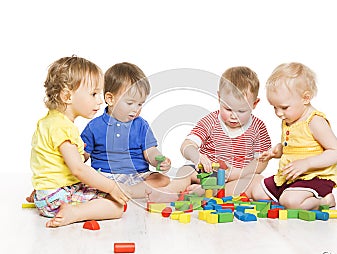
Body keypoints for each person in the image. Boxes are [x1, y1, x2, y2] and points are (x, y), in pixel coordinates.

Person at [29, 56, 128, 228]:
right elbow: (78, 169)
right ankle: (73, 213)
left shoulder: (48, 122)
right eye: (94, 94)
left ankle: (43, 197)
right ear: (67, 96)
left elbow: (49, 162)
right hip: (57, 195)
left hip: (47, 193)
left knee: (100, 187)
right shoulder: (63, 127)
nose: (100, 100)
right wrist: (112, 187)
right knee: (116, 206)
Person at [148, 66, 271, 201]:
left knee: (257, 180)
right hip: (204, 174)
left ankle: (203, 193)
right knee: (185, 170)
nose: (234, 116)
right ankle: (170, 191)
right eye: (228, 109)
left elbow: (261, 162)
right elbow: (186, 145)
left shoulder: (258, 128)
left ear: (255, 103)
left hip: (234, 180)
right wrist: (196, 157)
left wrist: (237, 173)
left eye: (241, 111)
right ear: (219, 98)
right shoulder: (210, 122)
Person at [247, 62, 337, 210]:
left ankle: (324, 201)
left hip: (314, 177)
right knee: (257, 192)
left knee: (290, 202)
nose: (279, 113)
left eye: (284, 107)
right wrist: (276, 151)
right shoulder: (289, 119)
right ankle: (290, 194)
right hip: (290, 176)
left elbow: (336, 152)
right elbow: (292, 146)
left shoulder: (315, 121)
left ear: (305, 98)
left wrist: (307, 163)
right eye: (275, 107)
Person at [81, 62, 171, 199]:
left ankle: (129, 192)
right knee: (86, 180)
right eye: (130, 103)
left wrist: (159, 161)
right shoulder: (94, 126)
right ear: (110, 99)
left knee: (162, 179)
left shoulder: (141, 125)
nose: (136, 108)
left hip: (138, 176)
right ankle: (115, 191)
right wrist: (76, 156)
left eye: (140, 104)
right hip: (105, 177)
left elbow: (150, 151)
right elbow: (83, 155)